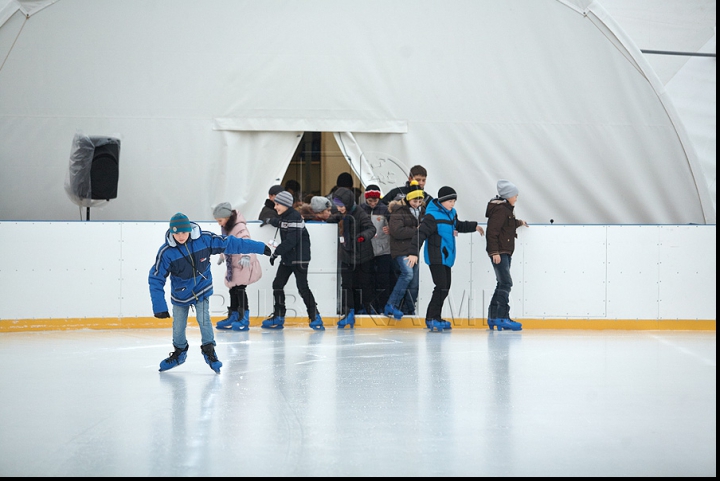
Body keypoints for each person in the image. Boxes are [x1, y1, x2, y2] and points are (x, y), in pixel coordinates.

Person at [150, 212, 272, 373]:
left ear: (189, 230)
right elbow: (156, 278)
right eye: (177, 233)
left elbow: (231, 243)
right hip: (180, 293)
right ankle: (179, 353)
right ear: (172, 232)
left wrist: (258, 247)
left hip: (201, 287)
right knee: (178, 326)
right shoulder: (166, 252)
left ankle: (209, 351)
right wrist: (159, 305)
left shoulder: (204, 240)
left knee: (204, 320)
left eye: (184, 232)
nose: (181, 236)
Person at [409, 186, 485, 332]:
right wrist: (413, 252)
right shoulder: (431, 216)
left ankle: (435, 317)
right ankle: (431, 318)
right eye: (450, 201)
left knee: (445, 287)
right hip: (435, 255)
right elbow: (420, 234)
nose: (452, 204)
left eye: (454, 201)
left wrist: (474, 226)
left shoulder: (451, 214)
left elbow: (459, 225)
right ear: (442, 201)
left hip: (446, 256)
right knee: (441, 286)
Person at [260, 190, 324, 330]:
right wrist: (269, 220)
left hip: (299, 258)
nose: (275, 207)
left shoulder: (294, 217)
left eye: (277, 204)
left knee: (302, 287)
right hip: (288, 258)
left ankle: (315, 317)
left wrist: (275, 253)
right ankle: (279, 316)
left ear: (285, 205)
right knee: (277, 284)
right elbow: (280, 223)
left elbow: (291, 241)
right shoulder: (285, 216)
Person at [326, 187, 376, 328]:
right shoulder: (341, 213)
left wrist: (361, 237)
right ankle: (349, 313)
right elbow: (335, 218)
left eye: (341, 206)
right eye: (337, 206)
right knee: (346, 285)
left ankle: (366, 309)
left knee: (364, 284)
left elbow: (371, 229)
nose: (339, 208)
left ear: (348, 204)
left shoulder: (360, 213)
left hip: (363, 255)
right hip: (347, 254)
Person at [212, 202, 263, 332]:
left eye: (220, 220)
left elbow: (246, 241)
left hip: (243, 263)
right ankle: (233, 315)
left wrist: (246, 256)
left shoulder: (239, 227)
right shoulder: (227, 228)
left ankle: (244, 318)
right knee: (232, 289)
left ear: (227, 217)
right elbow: (226, 243)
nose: (219, 223)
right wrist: (222, 256)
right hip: (233, 264)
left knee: (240, 289)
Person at [485, 180, 528, 331]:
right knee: (506, 283)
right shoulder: (501, 210)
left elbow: (506, 226)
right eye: (515, 195)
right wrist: (494, 252)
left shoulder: (505, 210)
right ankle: (502, 317)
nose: (516, 197)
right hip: (500, 252)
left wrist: (519, 222)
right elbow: (492, 232)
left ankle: (493, 317)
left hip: (505, 251)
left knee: (501, 283)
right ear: (508, 195)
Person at [385, 181, 425, 320]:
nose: (417, 203)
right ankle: (392, 304)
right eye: (415, 200)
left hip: (414, 250)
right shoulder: (398, 212)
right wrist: (416, 231)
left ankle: (409, 309)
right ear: (408, 199)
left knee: (414, 282)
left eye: (420, 200)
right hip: (401, 250)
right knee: (407, 274)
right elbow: (396, 231)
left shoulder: (422, 212)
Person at [358, 184, 393, 314]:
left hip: (384, 250)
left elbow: (394, 225)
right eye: (370, 201)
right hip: (366, 250)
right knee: (367, 280)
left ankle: (383, 305)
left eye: (375, 200)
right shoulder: (360, 209)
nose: (373, 203)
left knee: (383, 279)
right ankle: (368, 306)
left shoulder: (385, 210)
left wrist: (390, 229)